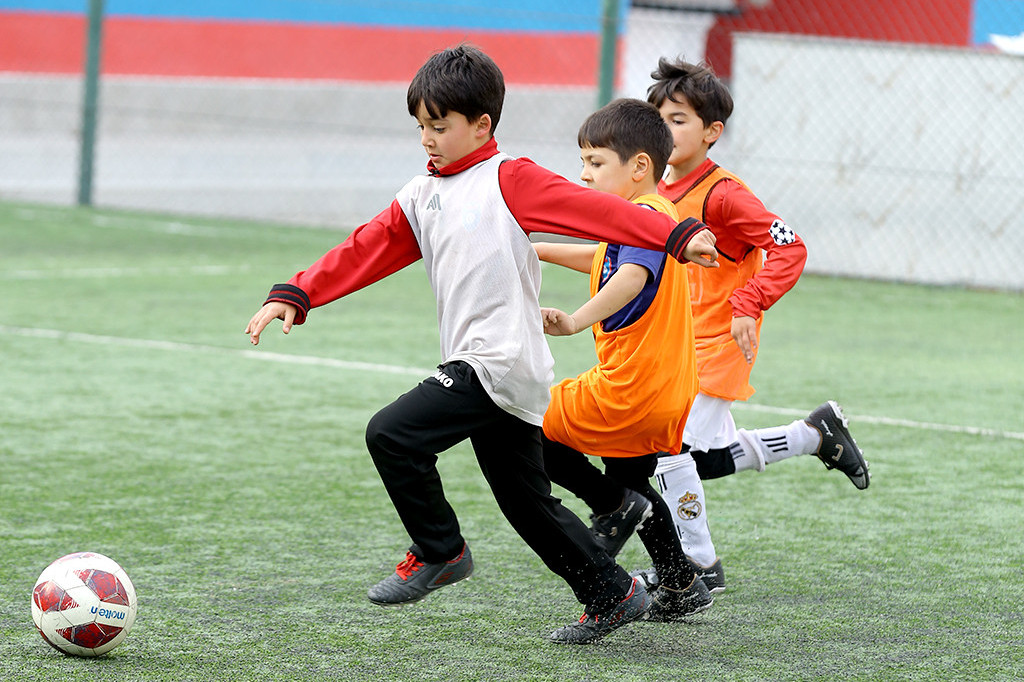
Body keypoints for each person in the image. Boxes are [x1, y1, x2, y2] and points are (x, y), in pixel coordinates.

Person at [244, 45, 720, 645]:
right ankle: (610, 591)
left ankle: (440, 549)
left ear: (482, 125)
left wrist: (680, 232)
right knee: (527, 505)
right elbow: (365, 247)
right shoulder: (421, 195)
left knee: (390, 434)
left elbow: (597, 212)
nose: (427, 139)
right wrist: (297, 292)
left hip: (497, 364)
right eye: (421, 126)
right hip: (487, 369)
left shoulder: (509, 179)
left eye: (439, 126)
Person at [632, 57, 869, 594]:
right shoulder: (658, 192)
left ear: (712, 132)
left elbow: (789, 246)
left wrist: (749, 301)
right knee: (701, 459)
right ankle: (813, 436)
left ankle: (698, 566)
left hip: (718, 341)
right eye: (658, 118)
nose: (665, 130)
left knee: (668, 449)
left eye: (678, 119)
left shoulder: (724, 194)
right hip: (677, 346)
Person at [534, 98, 714, 623]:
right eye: (583, 162)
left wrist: (576, 320)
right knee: (630, 484)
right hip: (666, 388)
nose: (583, 175)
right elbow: (601, 259)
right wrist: (537, 248)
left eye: (595, 163)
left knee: (530, 427)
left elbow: (630, 277)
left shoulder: (644, 216)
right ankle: (682, 584)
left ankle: (610, 508)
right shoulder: (653, 220)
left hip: (632, 385)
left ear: (639, 167)